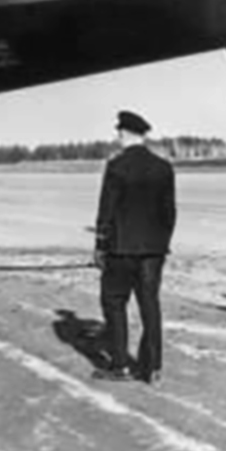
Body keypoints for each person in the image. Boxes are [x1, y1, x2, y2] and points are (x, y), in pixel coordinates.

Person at [91, 110, 176, 384]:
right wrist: (161, 244)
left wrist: (100, 246)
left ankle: (120, 366)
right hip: (153, 252)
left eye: (119, 133)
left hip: (121, 250)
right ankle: (152, 367)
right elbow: (169, 213)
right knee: (150, 305)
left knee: (114, 302)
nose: (117, 137)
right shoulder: (163, 167)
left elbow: (106, 211)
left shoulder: (116, 166)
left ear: (126, 134)